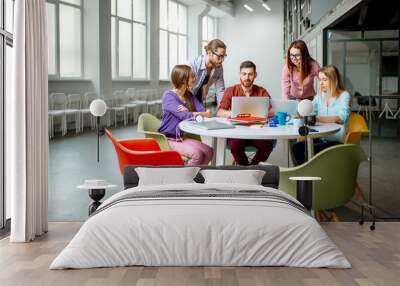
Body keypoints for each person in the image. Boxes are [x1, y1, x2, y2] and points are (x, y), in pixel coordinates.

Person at [217, 61, 274, 166]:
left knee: (267, 145)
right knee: (234, 145)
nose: (247, 77)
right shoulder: (231, 90)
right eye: (244, 74)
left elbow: (272, 111)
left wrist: (256, 114)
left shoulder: (261, 91)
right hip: (237, 131)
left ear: (255, 75)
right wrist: (234, 113)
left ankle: (253, 168)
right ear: (240, 74)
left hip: (257, 131)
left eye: (250, 74)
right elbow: (220, 112)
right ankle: (244, 168)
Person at [292, 65, 351, 165]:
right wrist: (301, 107)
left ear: (333, 80)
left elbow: (341, 118)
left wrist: (316, 119)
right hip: (320, 138)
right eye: (319, 80)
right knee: (296, 147)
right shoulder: (320, 96)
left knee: (306, 151)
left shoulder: (344, 95)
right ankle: (306, 174)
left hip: (336, 141)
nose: (321, 83)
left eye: (324, 79)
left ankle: (309, 174)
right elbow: (310, 109)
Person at [158, 65, 213, 165]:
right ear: (183, 79)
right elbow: (184, 116)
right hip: (168, 139)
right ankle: (187, 178)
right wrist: (195, 114)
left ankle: (198, 176)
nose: (194, 79)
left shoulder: (189, 95)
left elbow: (206, 113)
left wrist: (189, 111)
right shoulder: (168, 96)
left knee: (209, 151)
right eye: (192, 76)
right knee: (197, 154)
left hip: (181, 138)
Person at [189, 39, 226, 105]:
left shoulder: (219, 68)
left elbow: (220, 90)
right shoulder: (193, 65)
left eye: (223, 56)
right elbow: (186, 89)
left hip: (199, 97)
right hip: (186, 98)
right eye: (219, 56)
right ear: (209, 53)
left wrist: (222, 109)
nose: (222, 60)